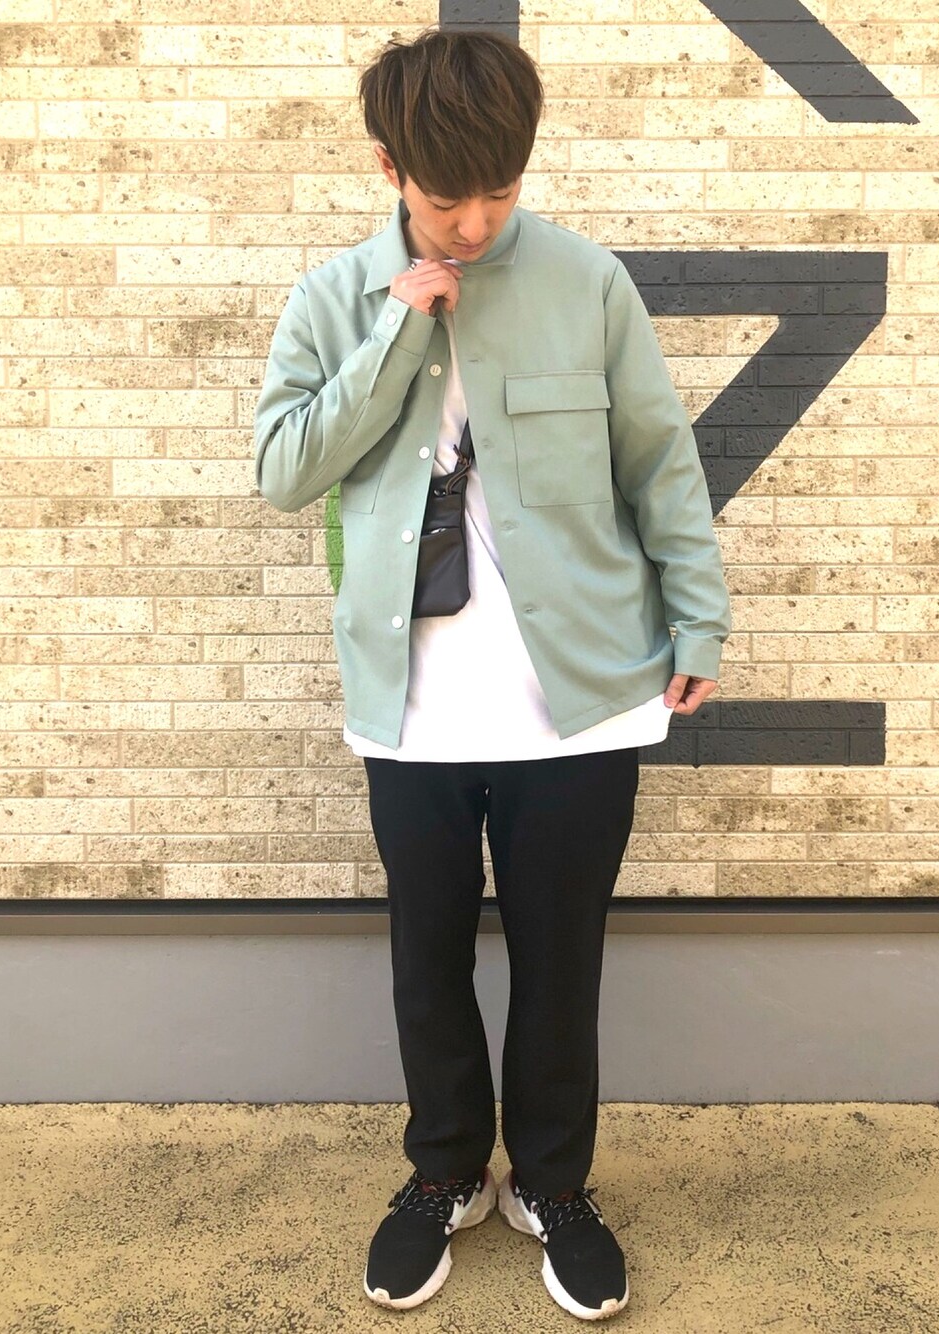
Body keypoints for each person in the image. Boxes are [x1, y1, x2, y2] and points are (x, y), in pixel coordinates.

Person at [253, 25, 733, 1322]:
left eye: (502, 192)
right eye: (446, 197)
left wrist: (699, 619)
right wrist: (395, 332)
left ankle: (555, 1186)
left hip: (582, 696)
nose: (474, 224)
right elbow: (285, 471)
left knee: (561, 957)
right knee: (427, 954)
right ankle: (445, 1172)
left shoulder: (588, 282)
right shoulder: (333, 297)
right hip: (410, 705)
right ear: (388, 166)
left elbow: (661, 463)